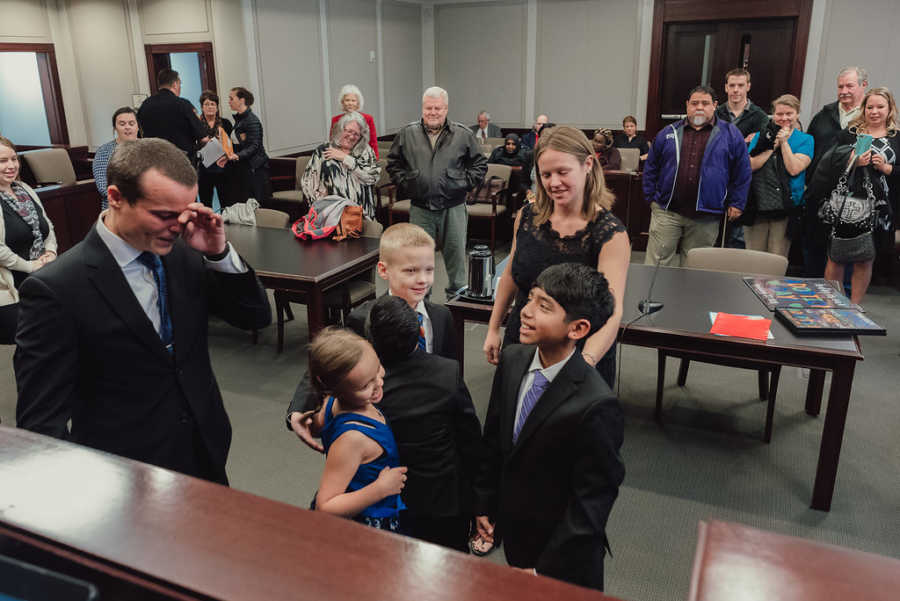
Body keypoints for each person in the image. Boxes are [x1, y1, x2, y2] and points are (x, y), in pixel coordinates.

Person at [15, 138, 272, 484]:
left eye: (185, 211)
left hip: (204, 449)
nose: (179, 225)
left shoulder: (184, 253)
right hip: (122, 473)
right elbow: (41, 422)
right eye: (164, 214)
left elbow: (255, 317)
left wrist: (218, 253)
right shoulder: (56, 289)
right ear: (117, 198)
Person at [474, 262, 625, 591]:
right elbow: (494, 441)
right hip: (517, 534)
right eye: (530, 299)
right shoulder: (513, 360)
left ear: (578, 329)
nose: (526, 312)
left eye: (544, 307)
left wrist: (545, 569)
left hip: (565, 557)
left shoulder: (597, 405)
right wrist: (485, 502)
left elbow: (592, 501)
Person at [483, 126, 629, 388]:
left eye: (563, 172)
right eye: (545, 174)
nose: (553, 183)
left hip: (579, 352)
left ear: (587, 164)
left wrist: (585, 363)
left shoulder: (609, 234)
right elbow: (510, 276)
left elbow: (613, 312)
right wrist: (494, 328)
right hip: (524, 342)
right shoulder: (528, 217)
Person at [286, 222, 458, 440]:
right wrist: (298, 410)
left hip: (430, 426)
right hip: (382, 426)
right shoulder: (362, 319)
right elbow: (327, 364)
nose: (423, 279)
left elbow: (451, 371)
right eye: (411, 270)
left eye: (429, 270)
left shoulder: (442, 317)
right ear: (384, 270)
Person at [366, 294, 483, 551]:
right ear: (419, 332)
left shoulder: (369, 390)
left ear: (373, 339)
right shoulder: (448, 372)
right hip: (444, 501)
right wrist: (479, 504)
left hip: (392, 499)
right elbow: (471, 441)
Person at [387, 86, 487, 296]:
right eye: (428, 108)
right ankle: (423, 307)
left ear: (446, 109)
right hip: (421, 209)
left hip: (454, 207)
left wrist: (461, 184)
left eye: (437, 108)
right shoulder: (407, 133)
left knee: (456, 258)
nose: (433, 112)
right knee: (418, 261)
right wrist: (408, 183)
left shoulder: (463, 134)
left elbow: (479, 166)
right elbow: (394, 164)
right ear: (422, 108)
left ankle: (457, 306)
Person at [308, 327, 408, 532]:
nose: (379, 383)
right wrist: (379, 489)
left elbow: (316, 428)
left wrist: (306, 421)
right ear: (336, 388)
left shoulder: (330, 402)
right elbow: (324, 507)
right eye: (365, 385)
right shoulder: (353, 439)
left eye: (378, 370)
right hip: (367, 521)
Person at [642, 85, 751, 266]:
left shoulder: (730, 134)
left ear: (714, 105)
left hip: (707, 215)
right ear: (687, 105)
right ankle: (653, 296)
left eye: (705, 103)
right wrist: (651, 199)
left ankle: (688, 296)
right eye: (694, 103)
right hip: (667, 212)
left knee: (696, 267)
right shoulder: (668, 132)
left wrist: (737, 203)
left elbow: (742, 171)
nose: (699, 107)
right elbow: (651, 167)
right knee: (657, 264)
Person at [811, 87, 899, 304]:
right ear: (864, 108)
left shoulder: (897, 138)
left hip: (880, 209)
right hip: (846, 203)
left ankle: (854, 308)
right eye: (870, 107)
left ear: (890, 110)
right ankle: (831, 305)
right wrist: (853, 160)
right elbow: (828, 161)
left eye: (880, 107)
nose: (875, 111)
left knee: (865, 258)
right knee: (836, 257)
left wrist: (888, 169)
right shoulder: (849, 133)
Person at [803, 66, 869, 277]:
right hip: (819, 192)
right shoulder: (823, 116)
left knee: (845, 252)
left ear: (863, 86)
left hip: (851, 196)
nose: (844, 90)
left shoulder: (871, 117)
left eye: (850, 85)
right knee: (813, 248)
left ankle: (840, 302)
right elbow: (809, 149)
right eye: (840, 86)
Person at [0, 137, 57, 344]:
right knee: (36, 341)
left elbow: (47, 227)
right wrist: (30, 266)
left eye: (14, 159)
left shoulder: (24, 188)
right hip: (9, 287)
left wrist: (50, 252)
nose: (11, 166)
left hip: (41, 276)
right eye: (2, 161)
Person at [743, 94, 814, 257]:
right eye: (779, 114)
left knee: (776, 258)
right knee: (753, 259)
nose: (784, 118)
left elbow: (794, 169)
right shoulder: (761, 136)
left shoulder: (806, 140)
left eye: (789, 113)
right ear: (773, 115)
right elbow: (750, 166)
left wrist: (784, 143)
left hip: (785, 208)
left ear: (797, 114)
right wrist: (770, 147)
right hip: (758, 205)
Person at [302, 111, 381, 219]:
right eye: (349, 131)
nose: (351, 136)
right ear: (340, 129)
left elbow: (372, 178)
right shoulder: (323, 150)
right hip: (328, 216)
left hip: (361, 215)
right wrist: (322, 206)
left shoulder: (365, 151)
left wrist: (346, 159)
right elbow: (308, 182)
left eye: (356, 134)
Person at [136, 69, 208, 159]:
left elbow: (139, 137)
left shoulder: (144, 105)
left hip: (154, 161)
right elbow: (204, 139)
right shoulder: (183, 104)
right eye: (180, 84)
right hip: (181, 161)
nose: (180, 87)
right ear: (175, 84)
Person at [227, 86, 271, 204]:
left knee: (256, 205)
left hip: (255, 169)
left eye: (231, 98)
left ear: (242, 100)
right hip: (244, 168)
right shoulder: (240, 119)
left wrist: (238, 156)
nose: (229, 101)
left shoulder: (252, 120)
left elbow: (254, 145)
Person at [93, 107, 139, 209]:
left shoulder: (148, 148)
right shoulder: (104, 151)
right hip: (116, 207)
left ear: (138, 127)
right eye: (122, 124)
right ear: (115, 128)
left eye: (131, 123)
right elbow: (103, 186)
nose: (127, 127)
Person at [196, 90, 234, 209]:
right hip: (204, 168)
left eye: (213, 104)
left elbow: (231, 144)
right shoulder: (196, 124)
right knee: (205, 203)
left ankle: (227, 226)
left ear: (217, 107)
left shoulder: (225, 123)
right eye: (206, 104)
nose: (210, 107)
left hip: (223, 168)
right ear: (202, 107)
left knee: (226, 202)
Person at [714, 68, 769, 143]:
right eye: (732, 85)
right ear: (726, 88)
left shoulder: (760, 117)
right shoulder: (715, 114)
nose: (735, 90)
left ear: (748, 87)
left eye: (740, 85)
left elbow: (760, 147)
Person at [331, 84, 379, 158]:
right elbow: (333, 142)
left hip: (362, 156)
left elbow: (373, 142)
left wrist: (375, 159)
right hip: (341, 156)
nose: (350, 103)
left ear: (358, 103)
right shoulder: (335, 120)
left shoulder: (368, 118)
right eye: (347, 100)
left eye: (353, 100)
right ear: (342, 102)